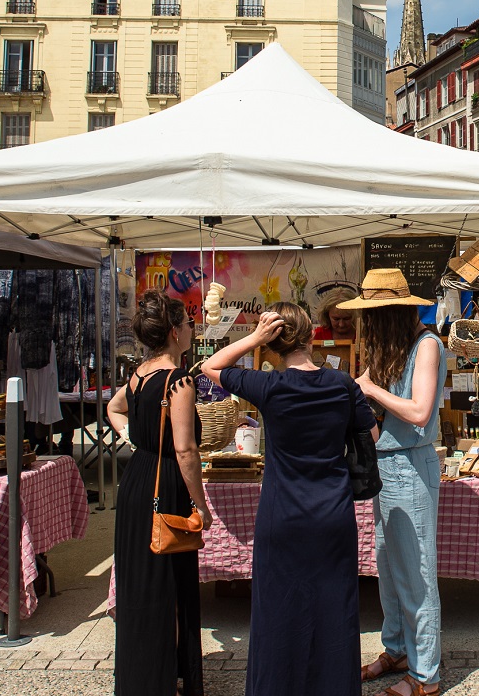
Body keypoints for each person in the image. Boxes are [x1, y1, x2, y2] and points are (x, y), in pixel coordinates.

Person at [199, 301, 374, 696]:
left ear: (274, 344)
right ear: (312, 334)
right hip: (332, 514)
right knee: (334, 611)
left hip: (282, 517)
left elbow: (210, 368)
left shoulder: (269, 386)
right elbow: (372, 438)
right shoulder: (342, 383)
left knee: (278, 613)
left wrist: (254, 338)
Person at [340, 269, 446, 696]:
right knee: (389, 568)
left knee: (417, 574)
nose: (367, 324)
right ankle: (398, 649)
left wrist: (369, 388)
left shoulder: (427, 345)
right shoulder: (394, 347)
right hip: (387, 466)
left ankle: (425, 677)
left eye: (372, 315)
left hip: (410, 466)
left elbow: (419, 411)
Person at [107, 291, 211, 696]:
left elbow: (114, 409)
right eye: (187, 323)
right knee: (167, 586)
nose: (191, 329)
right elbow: (186, 450)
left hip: (138, 480)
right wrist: (201, 505)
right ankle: (164, 679)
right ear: (173, 331)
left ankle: (142, 678)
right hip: (164, 484)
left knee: (141, 587)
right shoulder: (177, 380)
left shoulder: (138, 375)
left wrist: (134, 439)